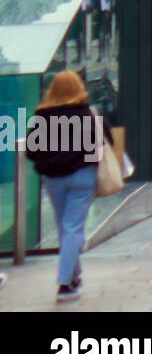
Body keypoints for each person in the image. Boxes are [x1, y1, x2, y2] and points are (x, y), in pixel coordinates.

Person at [25, 71, 112, 303]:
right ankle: (64, 284)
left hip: (53, 179)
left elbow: (31, 151)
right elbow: (105, 142)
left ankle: (74, 277)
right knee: (72, 228)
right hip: (83, 176)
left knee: (66, 227)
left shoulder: (42, 116)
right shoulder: (86, 112)